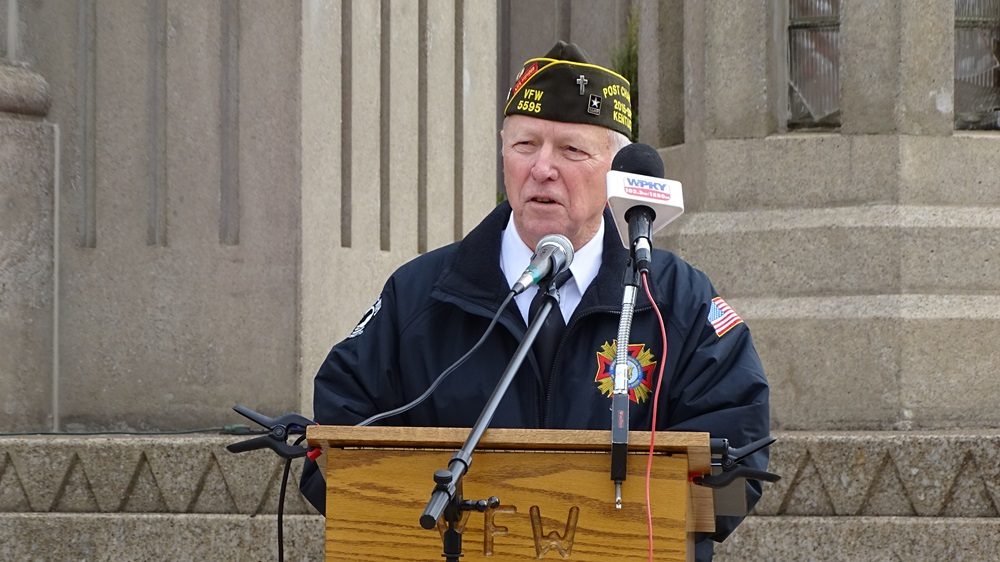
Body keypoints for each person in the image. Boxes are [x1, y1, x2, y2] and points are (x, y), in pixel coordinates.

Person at [300, 41, 769, 561]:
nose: (542, 168)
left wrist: (667, 526)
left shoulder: (677, 303)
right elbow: (336, 445)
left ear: (615, 173)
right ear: (503, 153)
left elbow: (740, 464)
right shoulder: (420, 296)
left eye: (571, 150)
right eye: (525, 145)